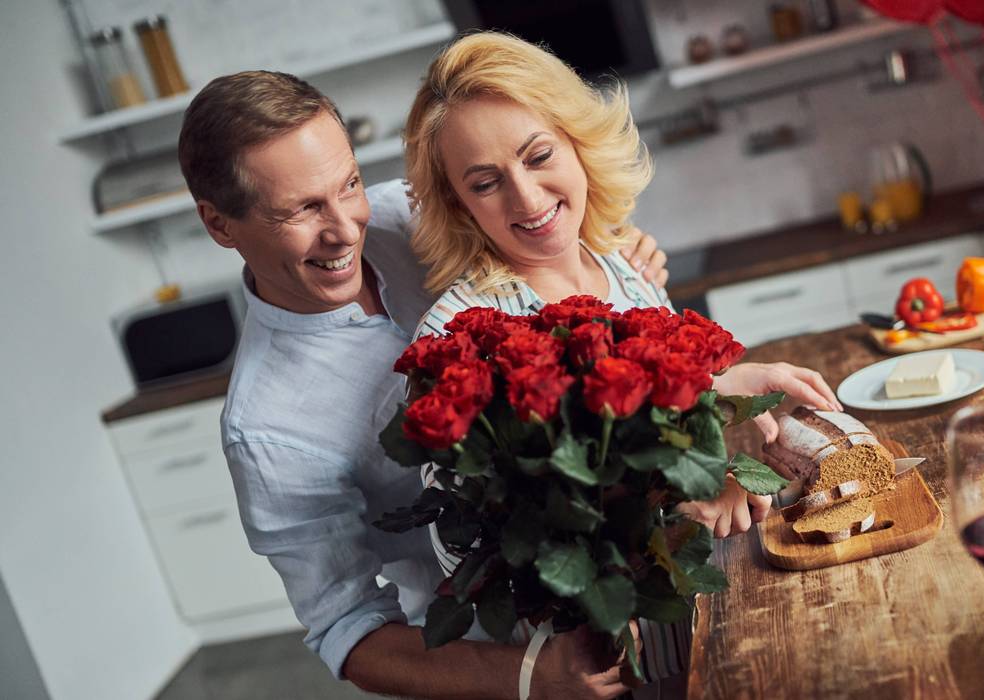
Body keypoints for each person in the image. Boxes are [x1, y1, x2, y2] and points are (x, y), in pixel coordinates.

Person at [179, 70, 672, 699]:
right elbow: (347, 628)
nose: (344, 229)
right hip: (499, 649)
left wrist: (614, 253)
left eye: (348, 184)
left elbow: (541, 226)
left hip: (635, 562)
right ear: (220, 225)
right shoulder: (267, 427)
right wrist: (531, 678)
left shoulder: (404, 213)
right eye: (301, 210)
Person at [401, 31, 843, 693]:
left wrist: (724, 432)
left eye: (538, 155)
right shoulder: (458, 335)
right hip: (606, 662)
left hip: (712, 611)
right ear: (458, 203)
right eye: (485, 182)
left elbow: (675, 428)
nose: (525, 199)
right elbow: (468, 545)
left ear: (578, 140)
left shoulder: (623, 268)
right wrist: (701, 466)